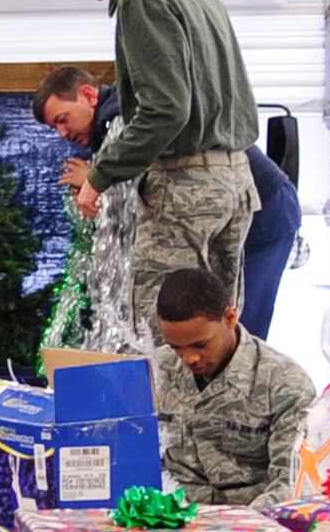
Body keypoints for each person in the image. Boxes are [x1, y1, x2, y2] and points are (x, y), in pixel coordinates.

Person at [38, 0, 261, 342]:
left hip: (186, 189)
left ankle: (169, 414)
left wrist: (99, 176)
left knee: (166, 336)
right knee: (217, 339)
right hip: (234, 180)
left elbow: (165, 111)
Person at [34, 65, 302, 341]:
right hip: (228, 211)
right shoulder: (113, 122)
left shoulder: (123, 116)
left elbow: (128, 201)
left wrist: (96, 180)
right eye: (56, 127)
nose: (62, 133)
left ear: (88, 94)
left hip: (265, 212)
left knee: (241, 325)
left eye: (62, 119)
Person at [150, 266, 316, 508]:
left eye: (200, 344)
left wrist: (240, 526)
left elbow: (293, 482)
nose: (189, 358)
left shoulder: (285, 383)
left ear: (230, 317)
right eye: (177, 347)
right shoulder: (155, 369)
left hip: (254, 523)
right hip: (168, 516)